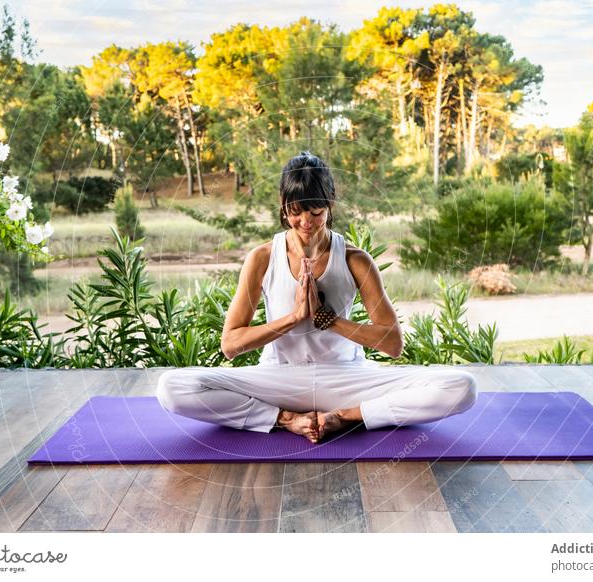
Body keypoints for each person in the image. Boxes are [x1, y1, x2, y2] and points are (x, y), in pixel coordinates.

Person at [156, 151, 478, 444]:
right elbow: (230, 345)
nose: (306, 222)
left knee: (462, 387)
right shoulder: (262, 258)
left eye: (315, 210)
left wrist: (331, 321)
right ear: (283, 203)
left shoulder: (356, 260)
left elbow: (393, 344)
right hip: (279, 377)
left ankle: (346, 416)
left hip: (345, 378)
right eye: (296, 212)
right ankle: (286, 420)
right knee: (171, 388)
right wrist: (293, 318)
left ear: (331, 202)